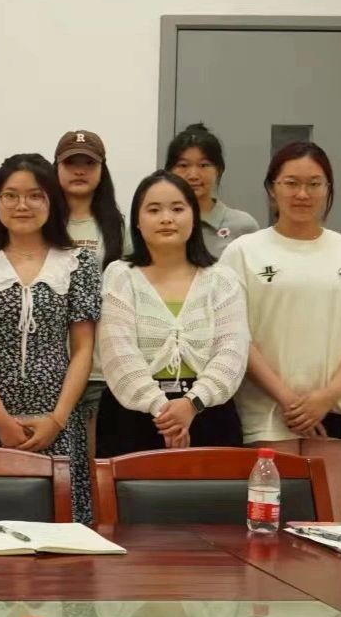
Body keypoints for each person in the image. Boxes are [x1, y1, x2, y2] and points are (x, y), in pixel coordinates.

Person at [220, 142, 341, 521]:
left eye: (314, 184)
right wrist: (287, 397)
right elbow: (234, 335)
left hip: (338, 414)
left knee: (332, 528)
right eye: (291, 183)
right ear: (272, 189)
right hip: (267, 414)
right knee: (267, 529)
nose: (302, 194)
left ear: (328, 189)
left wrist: (326, 396)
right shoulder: (243, 252)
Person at [0, 153, 101, 522]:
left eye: (35, 195)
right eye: (10, 195)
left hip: (57, 416)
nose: (22, 205)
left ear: (52, 201)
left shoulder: (79, 263)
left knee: (59, 525)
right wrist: (1, 420)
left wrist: (57, 419)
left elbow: (83, 348)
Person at [96, 171, 248, 457]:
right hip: (133, 418)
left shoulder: (222, 279)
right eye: (154, 210)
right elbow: (118, 354)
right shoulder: (119, 276)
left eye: (177, 209)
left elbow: (232, 352)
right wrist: (163, 411)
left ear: (194, 216)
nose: (166, 218)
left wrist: (191, 404)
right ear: (137, 221)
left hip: (208, 414)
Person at [54, 129, 128, 453]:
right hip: (53, 366)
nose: (80, 171)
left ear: (102, 170)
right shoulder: (42, 222)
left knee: (92, 464)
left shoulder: (116, 226)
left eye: (89, 163)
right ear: (56, 168)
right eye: (71, 163)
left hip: (101, 367)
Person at [165, 122, 260, 260]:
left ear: (219, 170)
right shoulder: (160, 222)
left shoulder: (243, 226)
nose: (193, 175)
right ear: (169, 171)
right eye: (183, 165)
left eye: (204, 165)